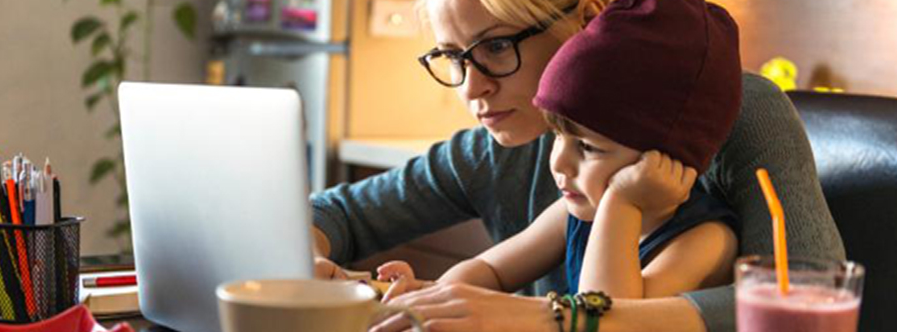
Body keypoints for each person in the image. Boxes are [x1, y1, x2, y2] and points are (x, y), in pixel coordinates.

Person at [311, 0, 845, 331]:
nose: (472, 88)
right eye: (452, 57)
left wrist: (540, 318)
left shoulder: (725, 113)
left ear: (590, 20)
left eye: (496, 46)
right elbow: (336, 215)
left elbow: (801, 303)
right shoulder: (498, 148)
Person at [374, 0, 743, 306]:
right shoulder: (578, 208)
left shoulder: (704, 240)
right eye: (557, 136)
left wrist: (620, 206)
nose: (560, 163)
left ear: (666, 152)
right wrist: (432, 298)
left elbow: (605, 318)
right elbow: (489, 270)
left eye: (587, 147)